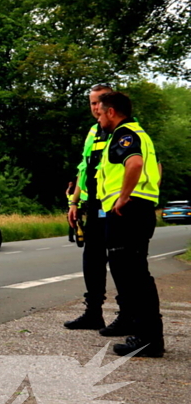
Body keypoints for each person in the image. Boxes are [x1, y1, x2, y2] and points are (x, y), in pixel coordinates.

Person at [95, 91, 165, 357]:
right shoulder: (139, 134)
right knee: (134, 273)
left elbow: (134, 164)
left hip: (128, 211)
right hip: (139, 208)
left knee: (133, 275)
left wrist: (124, 197)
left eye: (100, 112)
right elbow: (155, 169)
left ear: (111, 111)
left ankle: (148, 339)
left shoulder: (125, 134)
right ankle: (145, 334)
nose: (99, 118)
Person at [64, 84, 129, 334]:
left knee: (121, 262)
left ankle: (126, 315)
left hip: (114, 207)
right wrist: (75, 202)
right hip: (93, 206)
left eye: (99, 103)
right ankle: (93, 313)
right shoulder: (93, 131)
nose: (95, 108)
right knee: (92, 260)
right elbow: (84, 169)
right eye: (91, 103)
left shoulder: (121, 130)